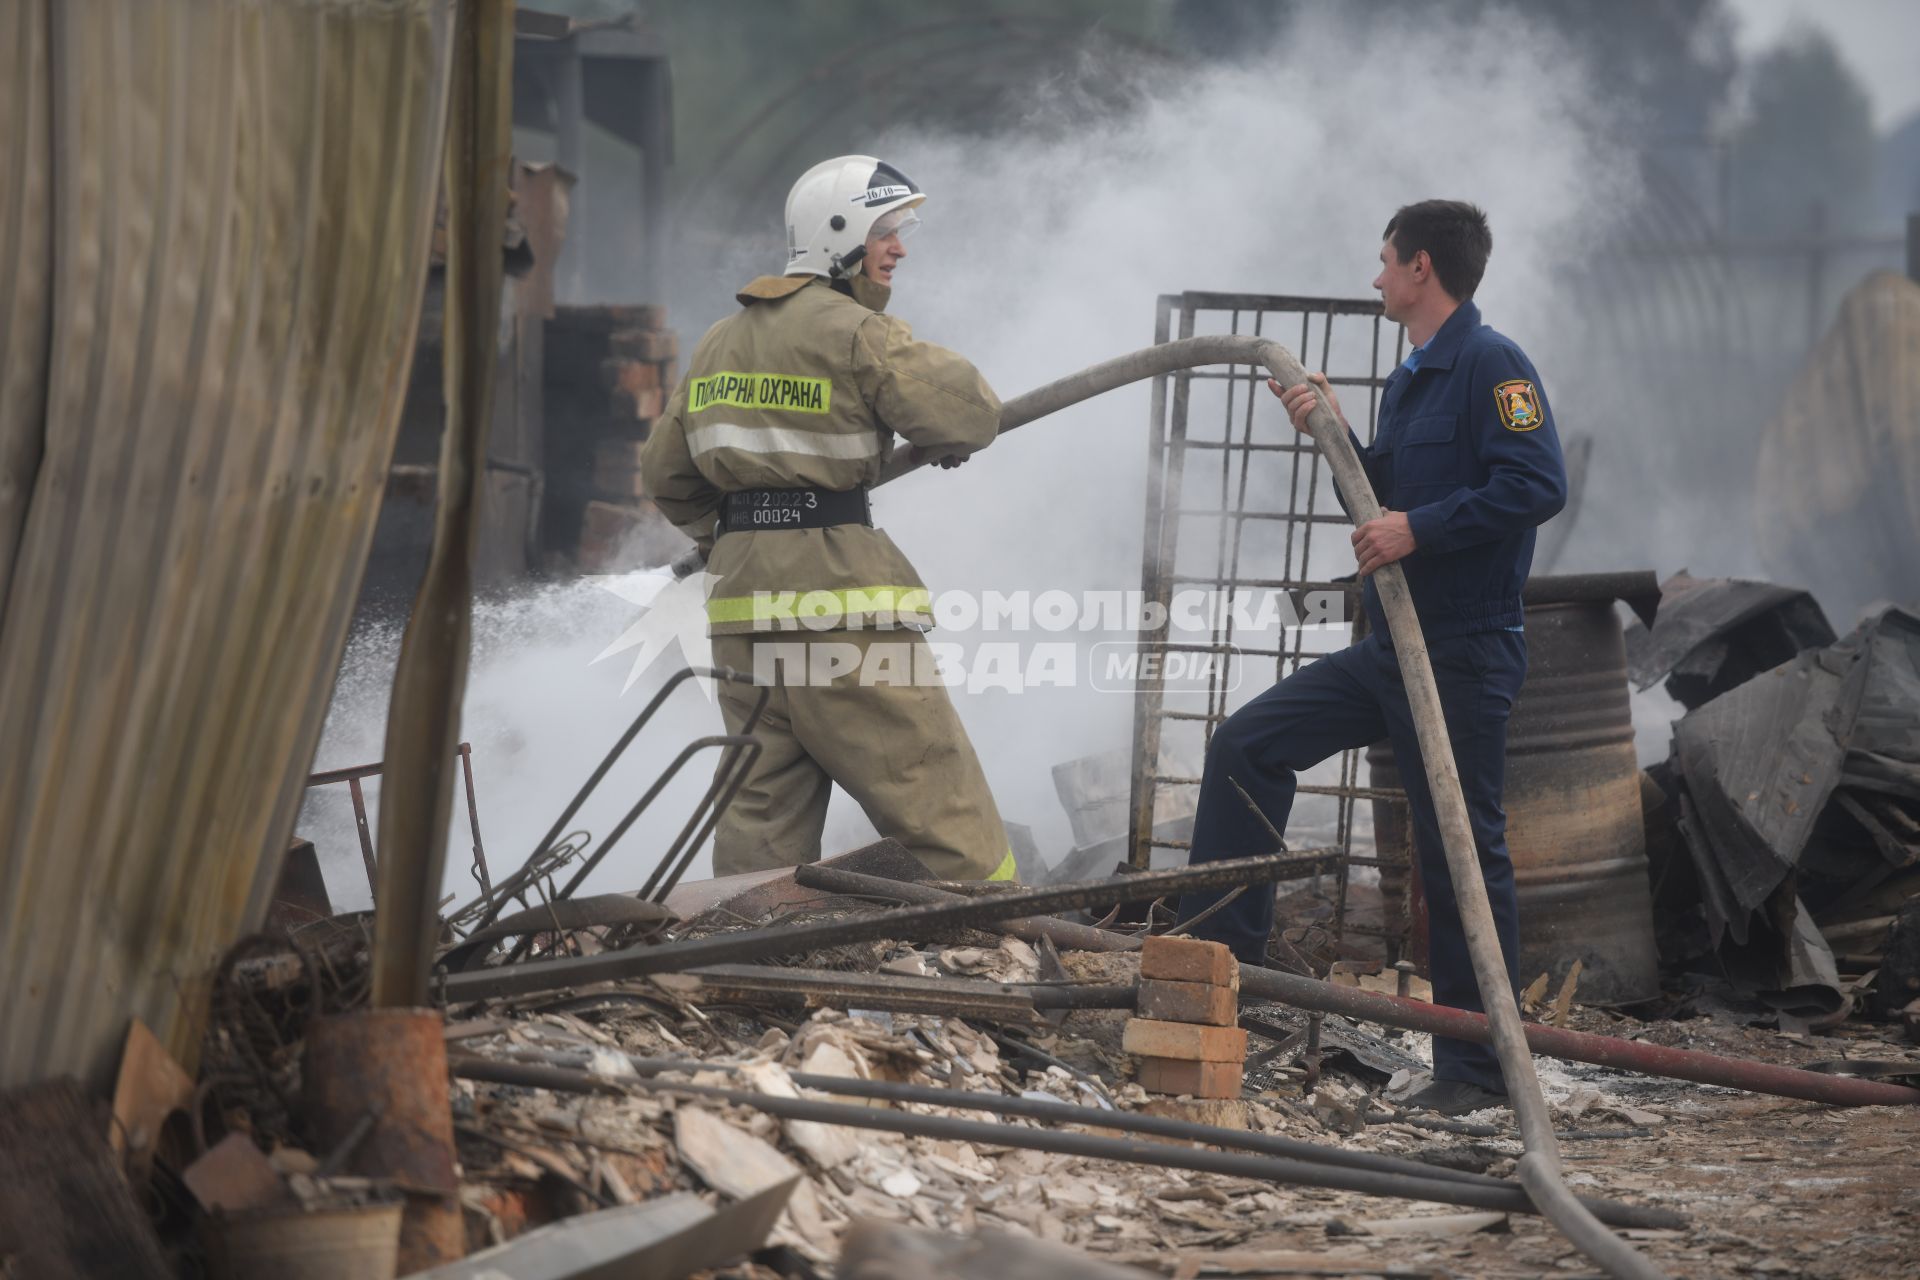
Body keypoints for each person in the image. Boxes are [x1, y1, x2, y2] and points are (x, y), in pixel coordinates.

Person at [1175, 200, 1567, 1115]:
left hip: (1463, 653)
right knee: (1246, 746)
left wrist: (1418, 530)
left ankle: (1475, 1072)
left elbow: (1536, 482)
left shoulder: (1491, 363)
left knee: (1460, 852)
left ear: (1422, 267)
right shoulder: (1416, 376)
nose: (1377, 276)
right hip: (1394, 646)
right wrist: (1331, 430)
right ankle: (1224, 977)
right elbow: (1384, 491)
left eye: (1386, 261)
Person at [639, 155, 1015, 882]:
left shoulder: (718, 342)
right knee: (942, 808)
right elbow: (972, 412)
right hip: (840, 614)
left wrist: (738, 534)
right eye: (887, 230)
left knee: (759, 837)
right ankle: (1005, 941)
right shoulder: (855, 334)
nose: (900, 247)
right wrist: (942, 437)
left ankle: (743, 973)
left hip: (744, 623)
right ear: (838, 234)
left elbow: (667, 477)